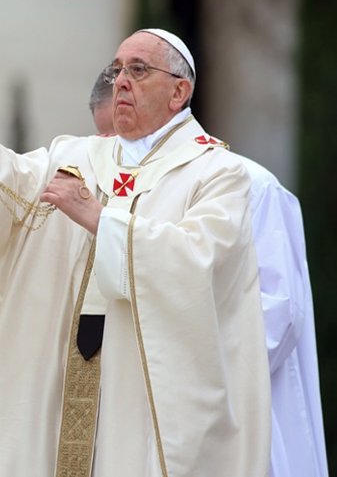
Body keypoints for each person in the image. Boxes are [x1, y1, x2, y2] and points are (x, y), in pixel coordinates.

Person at [0, 29, 271, 477]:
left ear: (179, 91)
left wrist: (99, 218)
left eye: (138, 70)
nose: (121, 82)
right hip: (55, 369)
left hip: (137, 386)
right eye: (117, 71)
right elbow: (10, 190)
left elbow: (199, 262)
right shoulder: (76, 154)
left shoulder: (217, 173)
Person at [88, 67, 329, 477]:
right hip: (140, 409)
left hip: (231, 410)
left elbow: (278, 312)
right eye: (105, 140)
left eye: (118, 137)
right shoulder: (118, 192)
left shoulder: (250, 183)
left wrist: (173, 357)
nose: (115, 153)